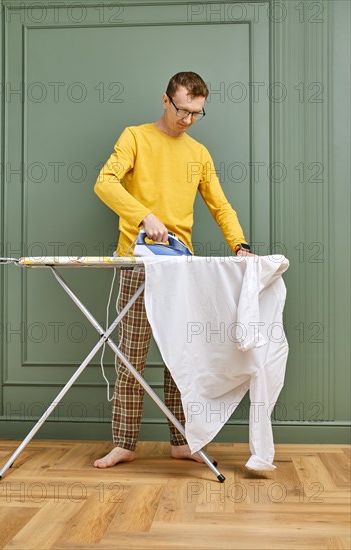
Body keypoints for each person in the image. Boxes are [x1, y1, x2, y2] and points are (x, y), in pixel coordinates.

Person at [93, 71, 252, 468]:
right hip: (137, 261)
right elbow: (105, 183)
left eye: (197, 113)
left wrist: (240, 245)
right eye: (182, 109)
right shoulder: (135, 138)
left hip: (181, 267)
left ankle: (183, 441)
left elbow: (220, 205)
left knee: (181, 356)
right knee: (131, 355)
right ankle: (125, 443)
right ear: (166, 101)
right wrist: (144, 215)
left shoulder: (198, 154)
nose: (188, 119)